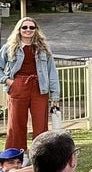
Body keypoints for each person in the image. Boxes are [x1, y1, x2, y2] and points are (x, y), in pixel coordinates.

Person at [0, 16, 60, 151]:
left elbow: (52, 72)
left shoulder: (43, 48)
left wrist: (55, 95)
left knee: (41, 125)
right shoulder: (9, 47)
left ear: (36, 30)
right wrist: (8, 81)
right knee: (16, 124)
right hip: (18, 86)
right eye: (24, 27)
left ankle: (40, 155)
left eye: (31, 27)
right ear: (19, 30)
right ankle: (15, 157)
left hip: (40, 87)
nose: (28, 30)